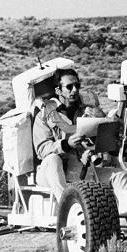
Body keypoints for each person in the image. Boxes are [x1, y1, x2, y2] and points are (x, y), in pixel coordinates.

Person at [32, 68, 89, 203]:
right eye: (69, 87)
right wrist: (66, 144)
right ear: (58, 91)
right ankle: (67, 207)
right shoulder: (44, 115)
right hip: (51, 172)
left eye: (77, 85)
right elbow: (42, 149)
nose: (74, 90)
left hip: (81, 167)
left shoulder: (86, 111)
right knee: (53, 160)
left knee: (120, 177)